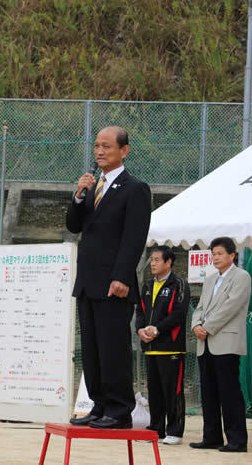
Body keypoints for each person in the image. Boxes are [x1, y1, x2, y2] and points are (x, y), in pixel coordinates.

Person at [66, 126, 152, 429]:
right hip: (88, 283)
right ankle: (99, 405)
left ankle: (119, 410)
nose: (100, 152)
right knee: (91, 349)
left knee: (113, 348)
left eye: (107, 146)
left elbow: (134, 238)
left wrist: (122, 277)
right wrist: (78, 196)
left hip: (114, 284)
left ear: (124, 151)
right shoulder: (92, 187)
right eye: (97, 146)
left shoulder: (135, 188)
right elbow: (74, 226)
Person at [190, 237, 251, 453]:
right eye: (213, 254)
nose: (215, 257)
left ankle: (237, 440)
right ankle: (212, 437)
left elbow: (231, 307)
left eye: (220, 253)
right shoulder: (210, 279)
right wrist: (196, 325)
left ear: (232, 255)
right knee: (208, 393)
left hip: (225, 341)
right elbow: (199, 307)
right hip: (204, 342)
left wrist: (207, 327)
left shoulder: (242, 277)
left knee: (229, 393)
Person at [136, 246, 190, 445]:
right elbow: (140, 312)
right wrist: (140, 330)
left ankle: (175, 431)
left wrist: (157, 329)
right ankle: (155, 429)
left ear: (169, 262)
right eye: (151, 259)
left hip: (171, 348)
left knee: (172, 391)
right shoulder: (148, 285)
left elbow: (178, 314)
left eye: (157, 260)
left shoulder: (179, 284)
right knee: (155, 392)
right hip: (150, 349)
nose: (153, 263)